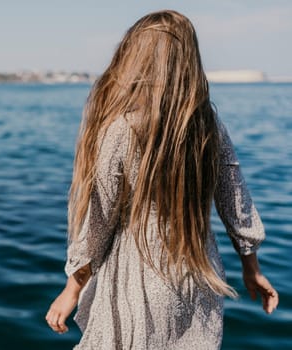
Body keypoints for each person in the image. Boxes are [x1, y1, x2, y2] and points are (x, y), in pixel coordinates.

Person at [45, 9, 279, 349]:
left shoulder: (122, 130)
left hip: (136, 283)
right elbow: (236, 202)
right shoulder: (208, 127)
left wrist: (72, 289)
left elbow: (99, 222)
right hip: (197, 279)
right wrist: (252, 268)